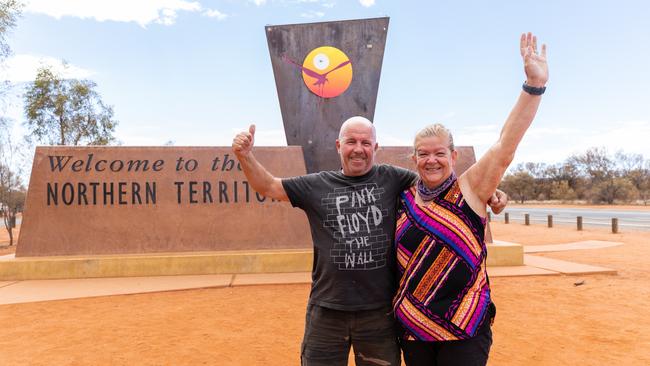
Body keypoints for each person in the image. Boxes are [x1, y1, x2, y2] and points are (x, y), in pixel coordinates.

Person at [232, 117, 507, 365]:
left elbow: (440, 183)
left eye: (366, 142)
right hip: (326, 310)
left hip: (380, 314)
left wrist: (490, 193)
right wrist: (245, 156)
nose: (358, 148)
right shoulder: (316, 185)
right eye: (351, 141)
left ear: (375, 148)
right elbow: (268, 186)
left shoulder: (395, 178)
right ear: (339, 145)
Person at [392, 32, 549, 366]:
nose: (431, 160)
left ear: (454, 154)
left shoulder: (472, 188)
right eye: (423, 154)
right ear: (413, 158)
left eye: (439, 153)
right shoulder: (402, 199)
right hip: (413, 330)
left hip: (465, 327)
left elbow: (505, 146)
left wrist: (533, 86)